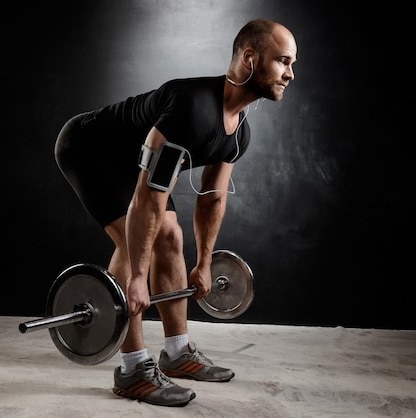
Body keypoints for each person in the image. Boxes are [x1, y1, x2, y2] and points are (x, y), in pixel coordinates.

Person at [54, 18, 297, 407]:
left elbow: (212, 198)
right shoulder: (192, 107)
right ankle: (133, 370)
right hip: (89, 147)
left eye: (292, 64)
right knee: (139, 246)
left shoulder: (238, 132)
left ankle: (178, 352)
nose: (290, 73)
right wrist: (136, 276)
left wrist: (202, 262)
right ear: (251, 58)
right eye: (283, 61)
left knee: (171, 236)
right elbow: (147, 197)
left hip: (132, 165)